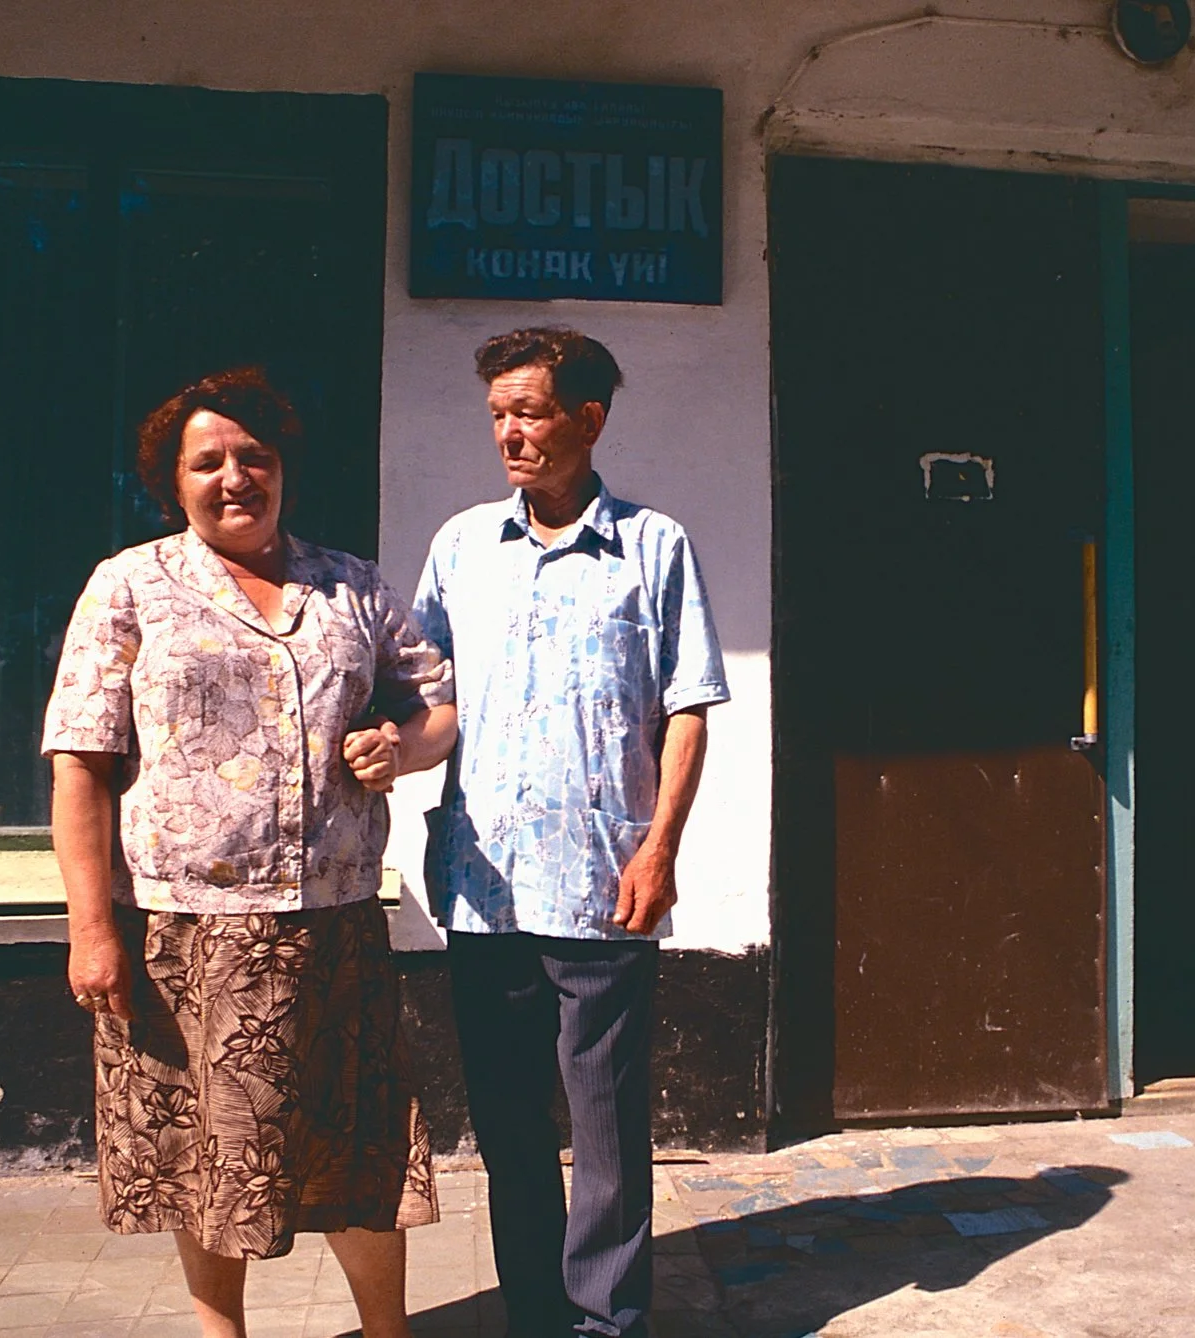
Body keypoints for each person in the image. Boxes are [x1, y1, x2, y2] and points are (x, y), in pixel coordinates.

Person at [42, 367, 456, 1338]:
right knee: (209, 1156)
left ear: (283, 472)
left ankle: (387, 1332)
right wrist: (90, 928)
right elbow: (80, 765)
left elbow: (437, 705)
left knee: (361, 1145)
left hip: (337, 927)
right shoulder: (129, 586)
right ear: (173, 482)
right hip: (191, 936)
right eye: (208, 461)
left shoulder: (350, 587)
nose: (235, 477)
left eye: (254, 458)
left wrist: (402, 744)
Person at [411, 328, 730, 1337]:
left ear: (587, 420)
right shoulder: (461, 546)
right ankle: (535, 1317)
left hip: (605, 882)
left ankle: (605, 1323)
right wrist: (391, 745)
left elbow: (685, 707)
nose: (508, 431)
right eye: (498, 412)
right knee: (508, 1130)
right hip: (484, 882)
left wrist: (660, 848)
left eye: (530, 411)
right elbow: (429, 694)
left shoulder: (652, 547)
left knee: (605, 1130)